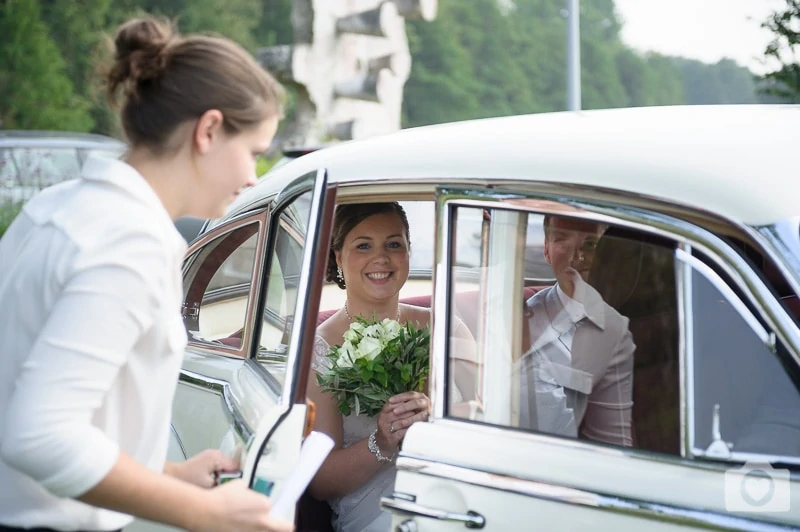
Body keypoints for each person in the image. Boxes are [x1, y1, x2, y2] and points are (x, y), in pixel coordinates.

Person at [0, 16, 292, 532]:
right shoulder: (131, 242)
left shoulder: (54, 208)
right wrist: (202, 512)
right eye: (253, 152)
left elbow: (36, 397)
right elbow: (38, 434)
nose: (252, 177)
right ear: (208, 130)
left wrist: (170, 474)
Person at [306, 202, 477, 532]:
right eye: (363, 245)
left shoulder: (446, 328)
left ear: (409, 252)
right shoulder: (321, 349)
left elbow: (490, 415)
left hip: (457, 494)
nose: (381, 258)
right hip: (378, 512)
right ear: (338, 257)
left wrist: (437, 417)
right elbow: (321, 482)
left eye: (394, 244)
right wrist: (382, 441)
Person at [519, 215, 635, 446]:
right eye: (562, 241)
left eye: (590, 244)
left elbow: (612, 441)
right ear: (546, 249)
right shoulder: (519, 315)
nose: (577, 257)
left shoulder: (615, 330)